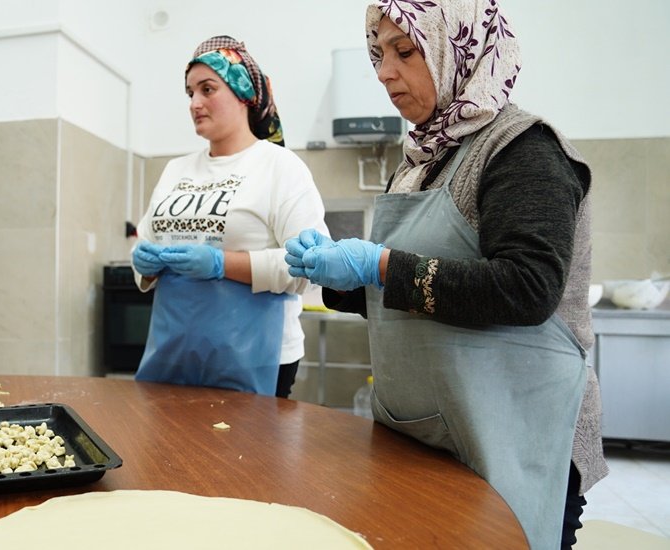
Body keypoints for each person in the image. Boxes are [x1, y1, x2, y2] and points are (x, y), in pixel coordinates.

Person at [285, 2, 606, 548]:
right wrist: (338, 275)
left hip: (514, 433)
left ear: (458, 48)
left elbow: (527, 290)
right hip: (427, 429)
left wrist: (377, 264)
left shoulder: (523, 150)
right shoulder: (419, 160)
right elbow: (404, 297)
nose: (385, 72)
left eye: (404, 52)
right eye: (378, 55)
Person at [131, 36, 328, 397]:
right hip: (176, 349)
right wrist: (143, 263)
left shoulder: (280, 167)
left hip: (256, 356)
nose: (195, 103)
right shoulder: (176, 170)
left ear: (243, 93)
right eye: (190, 92)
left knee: (244, 453)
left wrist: (221, 264)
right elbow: (147, 241)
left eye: (208, 89)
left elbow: (311, 268)